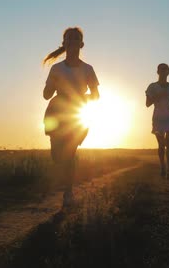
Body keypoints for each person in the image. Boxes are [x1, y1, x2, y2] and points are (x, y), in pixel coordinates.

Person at [42, 26, 99, 209]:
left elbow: (96, 95)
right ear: (64, 44)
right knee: (57, 156)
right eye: (69, 39)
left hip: (77, 113)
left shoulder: (88, 69)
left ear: (81, 44)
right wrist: (53, 86)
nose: (72, 42)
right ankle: (62, 185)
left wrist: (82, 97)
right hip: (56, 112)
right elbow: (46, 94)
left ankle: (68, 193)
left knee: (70, 153)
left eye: (76, 39)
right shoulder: (56, 68)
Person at [145, 63, 169, 179]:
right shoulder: (152, 87)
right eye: (162, 69)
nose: (164, 71)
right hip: (159, 117)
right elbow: (147, 104)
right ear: (158, 72)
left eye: (166, 69)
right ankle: (162, 167)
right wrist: (157, 96)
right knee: (161, 144)